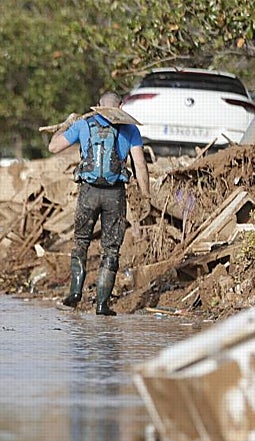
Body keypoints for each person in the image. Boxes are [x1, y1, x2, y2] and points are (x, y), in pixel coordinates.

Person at [47, 91, 150, 316]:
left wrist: (66, 124)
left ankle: (75, 292)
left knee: (81, 241)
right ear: (120, 105)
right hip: (115, 194)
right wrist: (146, 197)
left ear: (97, 105)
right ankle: (102, 304)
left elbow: (53, 147)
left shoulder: (84, 124)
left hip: (89, 192)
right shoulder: (130, 130)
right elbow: (140, 166)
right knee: (111, 249)